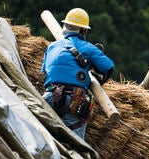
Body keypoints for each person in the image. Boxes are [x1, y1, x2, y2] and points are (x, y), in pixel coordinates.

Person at [41, 8, 114, 140]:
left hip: (50, 96)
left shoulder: (52, 47)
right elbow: (108, 67)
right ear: (84, 30)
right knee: (73, 145)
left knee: (40, 135)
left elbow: (45, 72)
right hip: (75, 100)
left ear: (65, 26)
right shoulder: (88, 47)